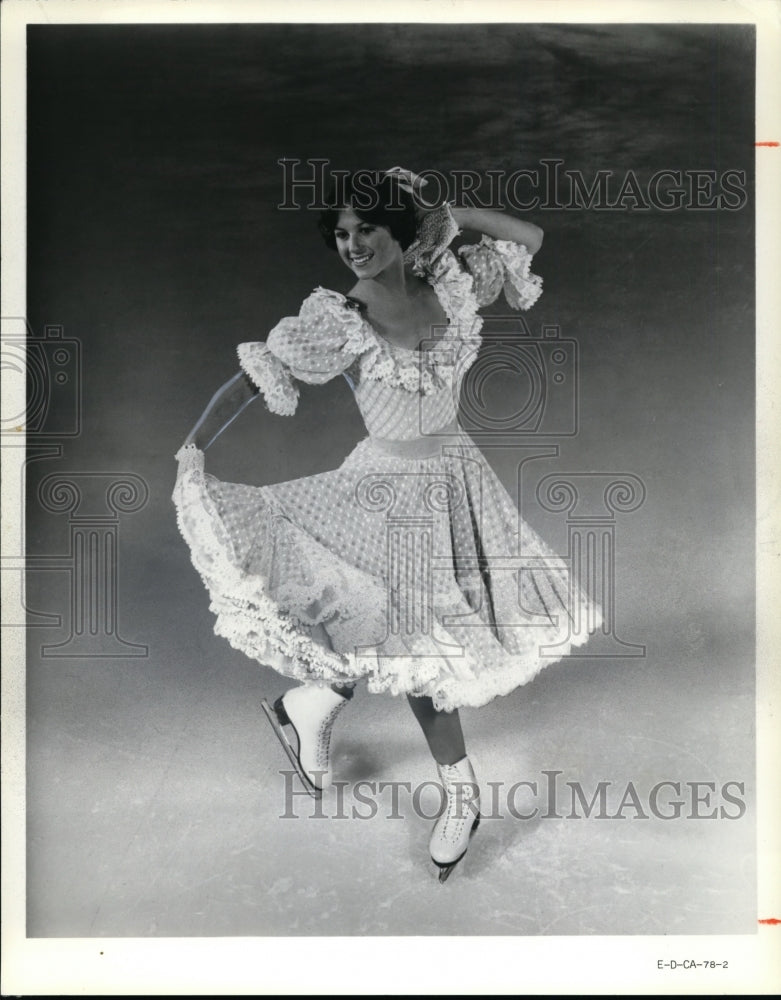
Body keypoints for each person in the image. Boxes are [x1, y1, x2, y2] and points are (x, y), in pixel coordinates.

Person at [172, 167, 602, 882]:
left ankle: (309, 705)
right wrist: (190, 450)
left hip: (457, 479)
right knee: (419, 643)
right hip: (384, 491)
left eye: (365, 228)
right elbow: (254, 377)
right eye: (340, 235)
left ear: (399, 229)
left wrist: (450, 212)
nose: (351, 245)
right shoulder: (341, 317)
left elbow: (529, 236)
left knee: (409, 633)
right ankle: (461, 795)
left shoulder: (454, 284)